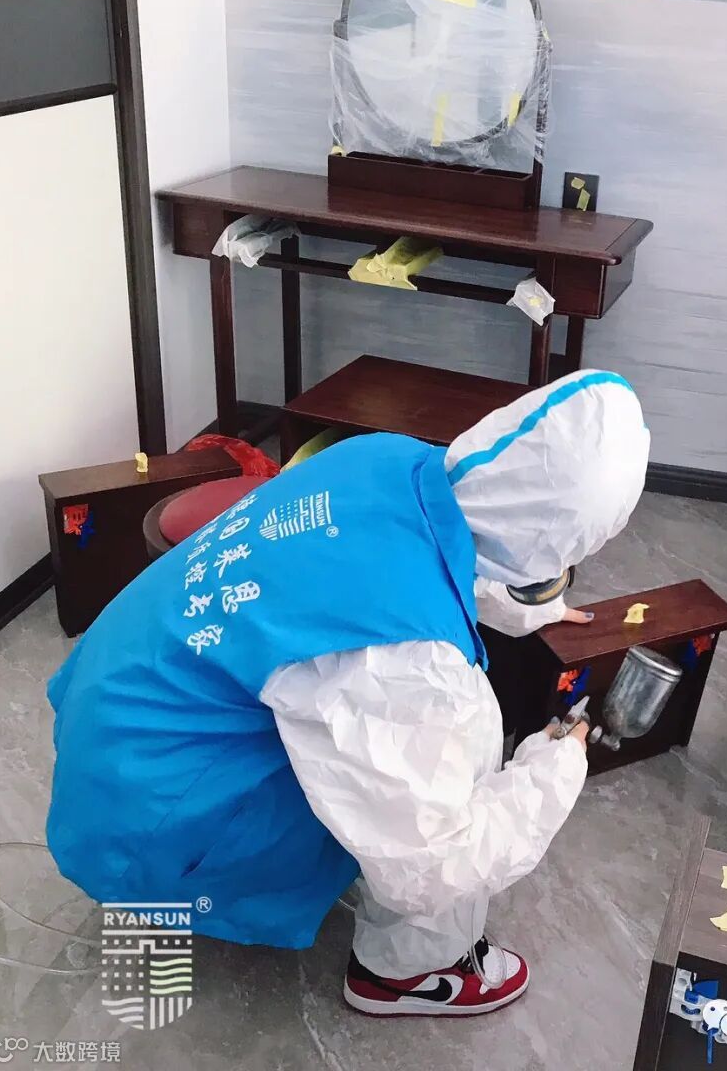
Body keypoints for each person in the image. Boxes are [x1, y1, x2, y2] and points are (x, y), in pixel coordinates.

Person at [46, 369, 649, 1016]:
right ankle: (408, 972)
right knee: (458, 741)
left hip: (118, 730)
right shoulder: (407, 662)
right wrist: (555, 766)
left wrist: (532, 607)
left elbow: (434, 547)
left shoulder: (386, 458)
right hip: (150, 830)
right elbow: (431, 868)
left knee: (415, 723)